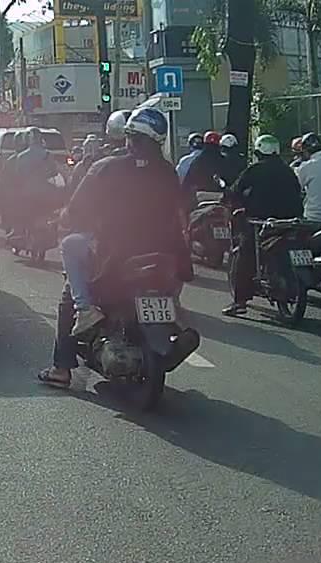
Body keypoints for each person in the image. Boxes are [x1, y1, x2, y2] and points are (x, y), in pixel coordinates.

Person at [37, 107, 191, 388]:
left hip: (115, 254)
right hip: (163, 256)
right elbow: (177, 212)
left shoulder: (106, 168)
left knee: (69, 273)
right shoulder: (168, 171)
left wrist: (76, 220)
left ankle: (62, 366)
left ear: (129, 138)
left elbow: (76, 208)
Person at [222, 133, 304, 316]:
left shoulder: (255, 169)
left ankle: (240, 302)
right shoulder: (288, 171)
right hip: (289, 222)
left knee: (245, 256)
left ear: (259, 152)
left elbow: (235, 190)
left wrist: (231, 199)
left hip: (261, 222)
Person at [181, 130, 227, 195]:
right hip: (220, 196)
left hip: (201, 195)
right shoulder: (224, 160)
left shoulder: (197, 160)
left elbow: (187, 182)